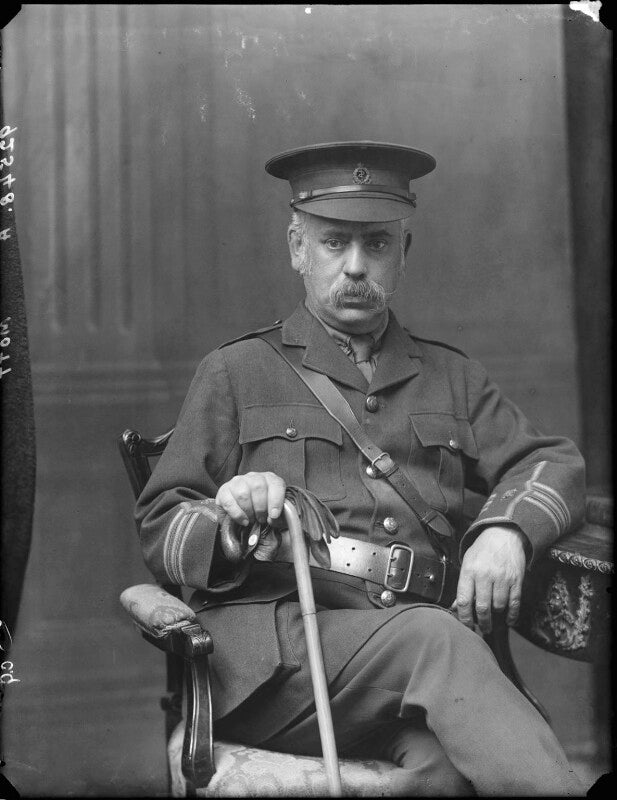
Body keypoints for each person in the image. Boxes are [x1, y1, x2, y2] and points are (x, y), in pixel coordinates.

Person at [136, 141, 586, 795]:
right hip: (281, 667)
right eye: (332, 243)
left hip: (403, 676)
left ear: (404, 252)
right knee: (435, 639)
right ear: (297, 248)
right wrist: (230, 520)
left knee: (446, 771)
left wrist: (506, 532)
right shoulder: (236, 371)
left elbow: (551, 461)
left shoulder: (452, 377)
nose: (355, 266)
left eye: (375, 244)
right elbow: (161, 524)